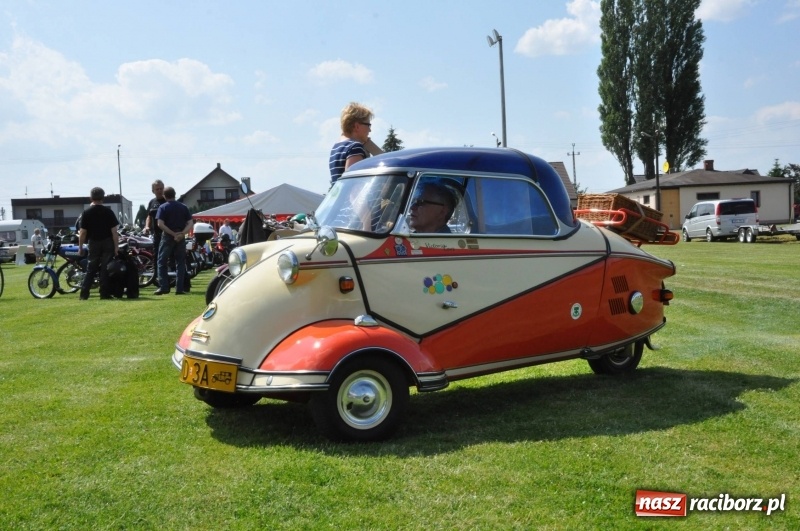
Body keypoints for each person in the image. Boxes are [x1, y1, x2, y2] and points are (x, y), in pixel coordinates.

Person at [78, 187, 120, 300]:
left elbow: (83, 232)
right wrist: (116, 247)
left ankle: (84, 294)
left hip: (93, 242)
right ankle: (104, 293)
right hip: (107, 242)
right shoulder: (108, 212)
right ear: (103, 197)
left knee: (91, 268)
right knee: (105, 269)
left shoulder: (86, 213)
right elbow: (114, 232)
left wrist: (80, 246)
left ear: (90, 197)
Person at [329, 102, 383, 185]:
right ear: (357, 126)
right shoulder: (355, 147)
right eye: (368, 125)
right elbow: (352, 183)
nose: (370, 130)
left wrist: (368, 144)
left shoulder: (336, 147)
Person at [154, 186, 194, 295]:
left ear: (164, 196)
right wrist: (181, 234)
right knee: (180, 262)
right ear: (175, 194)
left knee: (162, 261)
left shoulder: (163, 207)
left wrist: (172, 234)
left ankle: (164, 287)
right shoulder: (183, 207)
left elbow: (160, 224)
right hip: (180, 236)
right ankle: (179, 288)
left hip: (167, 236)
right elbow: (190, 223)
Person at [142, 180, 166, 281]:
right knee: (156, 256)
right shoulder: (152, 202)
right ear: (153, 191)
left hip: (168, 234)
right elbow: (149, 216)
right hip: (156, 234)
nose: (160, 191)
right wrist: (146, 226)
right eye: (157, 189)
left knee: (170, 256)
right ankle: (156, 278)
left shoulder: (168, 200)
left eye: (161, 188)